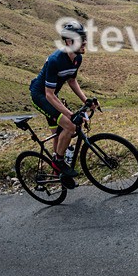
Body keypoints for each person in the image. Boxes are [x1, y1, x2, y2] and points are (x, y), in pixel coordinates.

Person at [29, 21, 98, 177]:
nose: (85, 42)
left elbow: (72, 81)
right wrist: (70, 114)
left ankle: (57, 175)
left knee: (60, 132)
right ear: (69, 41)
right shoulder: (55, 60)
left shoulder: (77, 58)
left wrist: (85, 100)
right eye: (81, 38)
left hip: (51, 95)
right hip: (40, 96)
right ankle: (58, 162)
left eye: (84, 37)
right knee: (70, 126)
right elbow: (49, 95)